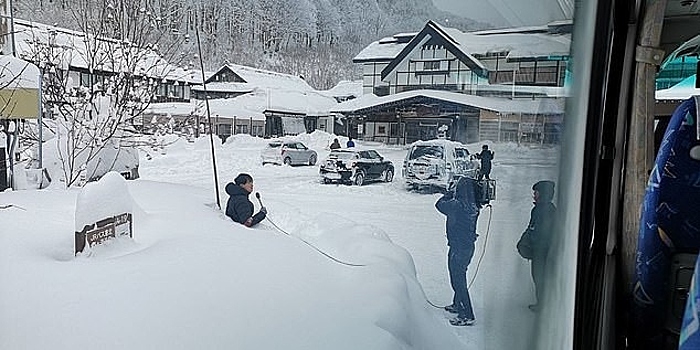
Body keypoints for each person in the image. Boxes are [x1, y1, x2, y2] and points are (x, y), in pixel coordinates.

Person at [435, 177, 482, 326]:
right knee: (458, 277)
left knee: (458, 281)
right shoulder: (473, 206)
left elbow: (439, 205)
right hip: (466, 247)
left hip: (459, 248)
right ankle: (457, 304)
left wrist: (448, 193)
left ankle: (467, 314)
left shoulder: (457, 205)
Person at [523, 180, 556, 312]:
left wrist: (530, 243)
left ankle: (543, 305)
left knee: (540, 277)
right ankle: (542, 303)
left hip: (542, 251)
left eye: (536, 193)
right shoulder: (540, 209)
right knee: (538, 277)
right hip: (539, 250)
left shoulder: (544, 210)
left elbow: (539, 231)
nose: (534, 195)